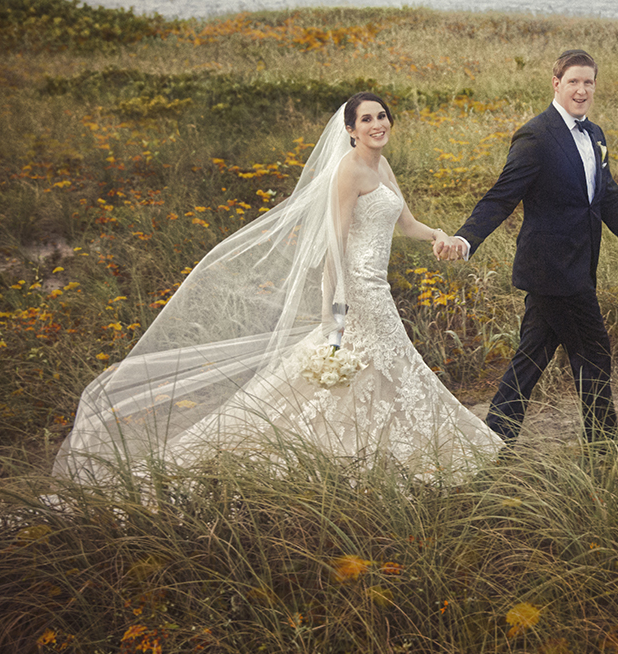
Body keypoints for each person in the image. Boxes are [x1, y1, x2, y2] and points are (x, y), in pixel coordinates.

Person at [54, 93, 502, 482]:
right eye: (366, 119)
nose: (377, 124)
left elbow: (404, 223)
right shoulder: (348, 172)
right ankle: (379, 455)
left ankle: (380, 454)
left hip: (378, 287)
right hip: (359, 292)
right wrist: (336, 313)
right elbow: (334, 245)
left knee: (385, 370)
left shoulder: (381, 166)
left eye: (382, 116)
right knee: (386, 366)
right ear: (350, 129)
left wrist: (438, 235)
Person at [439, 50, 618, 447]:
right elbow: (501, 197)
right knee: (594, 352)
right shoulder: (536, 135)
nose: (582, 90)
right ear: (556, 83)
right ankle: (602, 448)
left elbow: (608, 198)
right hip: (552, 271)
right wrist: (465, 237)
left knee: (531, 358)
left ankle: (493, 440)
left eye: (588, 82)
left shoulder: (595, 134)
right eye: (573, 81)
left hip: (578, 266)